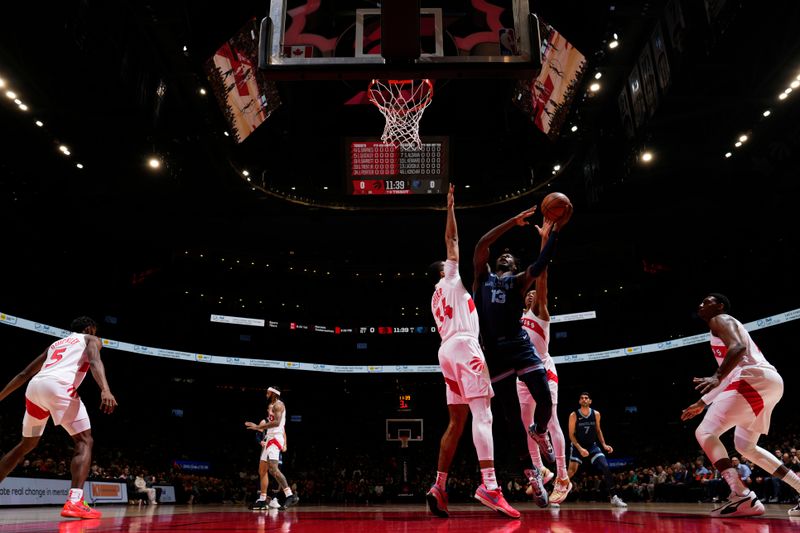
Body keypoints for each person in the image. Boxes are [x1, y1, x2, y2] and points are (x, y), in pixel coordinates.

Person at [425, 185, 519, 519]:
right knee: (484, 414)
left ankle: (439, 484)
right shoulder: (450, 279)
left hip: (446, 352)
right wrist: (450, 207)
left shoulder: (435, 298)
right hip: (465, 346)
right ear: (442, 271)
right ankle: (490, 486)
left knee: (456, 421)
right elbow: (453, 241)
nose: (455, 266)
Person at [472, 204, 567, 505]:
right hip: (495, 352)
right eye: (502, 255)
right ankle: (532, 474)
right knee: (512, 419)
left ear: (513, 267)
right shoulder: (482, 279)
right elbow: (481, 244)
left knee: (544, 400)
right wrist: (512, 222)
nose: (504, 256)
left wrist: (553, 233)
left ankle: (540, 431)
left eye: (509, 257)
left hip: (518, 344)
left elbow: (542, 264)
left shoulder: (517, 282)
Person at [681, 293, 800, 517]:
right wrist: (702, 402)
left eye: (707, 301)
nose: (701, 304)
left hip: (754, 379)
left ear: (719, 306)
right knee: (745, 446)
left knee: (705, 432)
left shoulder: (721, 319)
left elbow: (737, 349)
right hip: (768, 382)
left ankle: (741, 495)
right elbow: (731, 372)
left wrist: (716, 376)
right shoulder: (719, 329)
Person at [0, 316, 117, 519]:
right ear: (90, 329)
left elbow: (24, 373)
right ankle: (75, 502)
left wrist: (0, 396)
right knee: (84, 440)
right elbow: (95, 360)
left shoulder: (55, 344)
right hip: (58, 387)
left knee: (25, 445)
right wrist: (105, 389)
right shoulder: (91, 339)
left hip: (35, 387)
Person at [517, 238, 571, 505]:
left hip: (544, 371)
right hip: (523, 377)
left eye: (534, 293)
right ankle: (542, 472)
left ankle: (563, 477)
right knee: (528, 427)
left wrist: (544, 242)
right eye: (528, 293)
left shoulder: (541, 314)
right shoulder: (517, 320)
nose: (531, 294)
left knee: (551, 423)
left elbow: (541, 279)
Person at [567, 392, 627, 508]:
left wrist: (604, 445)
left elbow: (598, 430)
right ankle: (555, 495)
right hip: (577, 445)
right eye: (582, 398)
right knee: (571, 472)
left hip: (592, 446)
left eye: (586, 398)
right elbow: (571, 435)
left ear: (590, 401)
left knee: (605, 466)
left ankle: (614, 497)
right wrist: (580, 449)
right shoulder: (573, 415)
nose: (584, 399)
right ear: (579, 401)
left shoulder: (596, 414)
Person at [245, 386, 299, 510]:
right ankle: (263, 499)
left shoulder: (279, 405)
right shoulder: (272, 405)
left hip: (275, 438)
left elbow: (277, 423)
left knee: (274, 470)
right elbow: (270, 423)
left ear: (274, 393)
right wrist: (259, 427)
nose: (266, 394)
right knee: (262, 470)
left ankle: (290, 495)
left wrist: (259, 427)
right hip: (269, 438)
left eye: (268, 392)